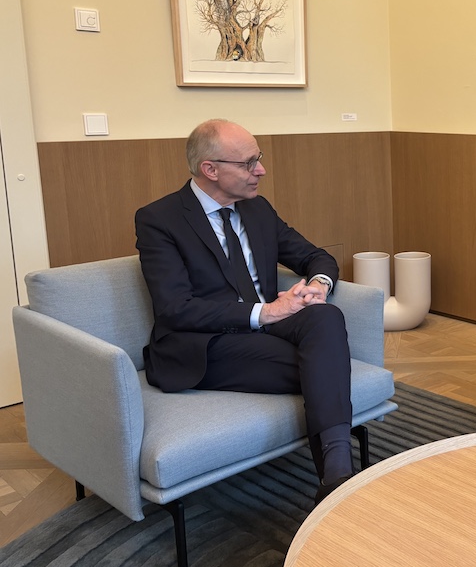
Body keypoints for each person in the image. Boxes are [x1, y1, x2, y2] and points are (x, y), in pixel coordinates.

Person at [135, 119, 354, 503]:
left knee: (326, 316)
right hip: (205, 343)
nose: (261, 170)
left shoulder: (257, 209)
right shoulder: (160, 219)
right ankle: (340, 479)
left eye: (259, 158)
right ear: (210, 169)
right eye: (249, 163)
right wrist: (265, 313)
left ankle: (336, 474)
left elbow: (315, 256)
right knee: (325, 364)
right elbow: (174, 309)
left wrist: (319, 285)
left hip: (266, 330)